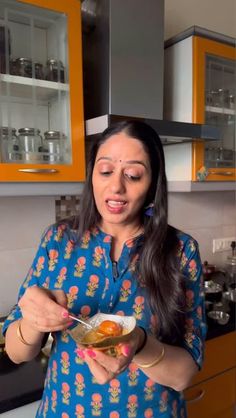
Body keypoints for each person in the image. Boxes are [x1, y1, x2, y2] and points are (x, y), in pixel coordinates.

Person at [3, 120, 206, 418]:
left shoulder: (181, 250)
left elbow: (184, 375)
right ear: (92, 176)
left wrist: (139, 343)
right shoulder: (59, 240)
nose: (116, 187)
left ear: (152, 185)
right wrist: (35, 321)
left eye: (133, 175)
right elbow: (16, 351)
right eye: (106, 171)